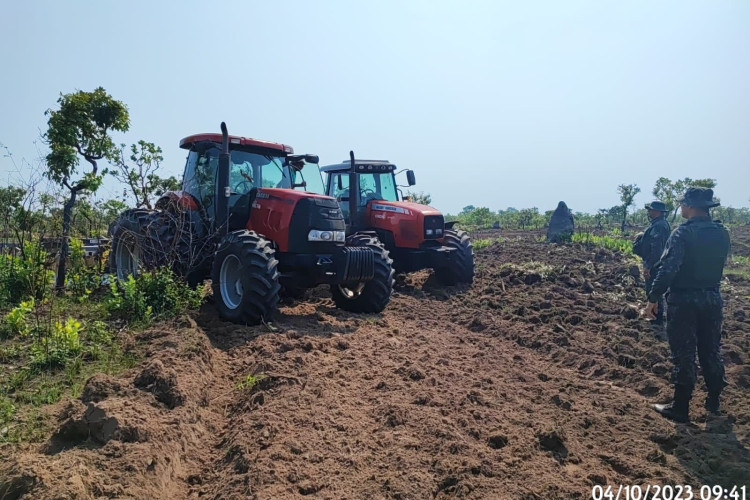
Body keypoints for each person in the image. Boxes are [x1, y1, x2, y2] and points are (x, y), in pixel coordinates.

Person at [644, 187, 730, 423]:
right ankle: (713, 401)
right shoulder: (722, 233)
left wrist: (653, 297)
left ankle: (680, 406)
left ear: (691, 206)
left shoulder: (682, 234)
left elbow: (669, 269)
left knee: (684, 353)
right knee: (710, 349)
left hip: (683, 300)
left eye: (683, 204)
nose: (681, 208)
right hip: (712, 297)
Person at [633, 200, 671, 326]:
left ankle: (656, 317)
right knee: (653, 290)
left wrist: (649, 266)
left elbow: (657, 249)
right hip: (655, 263)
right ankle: (655, 315)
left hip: (655, 265)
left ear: (657, 212)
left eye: (650, 210)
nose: (649, 212)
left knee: (654, 290)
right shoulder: (659, 224)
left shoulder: (659, 226)